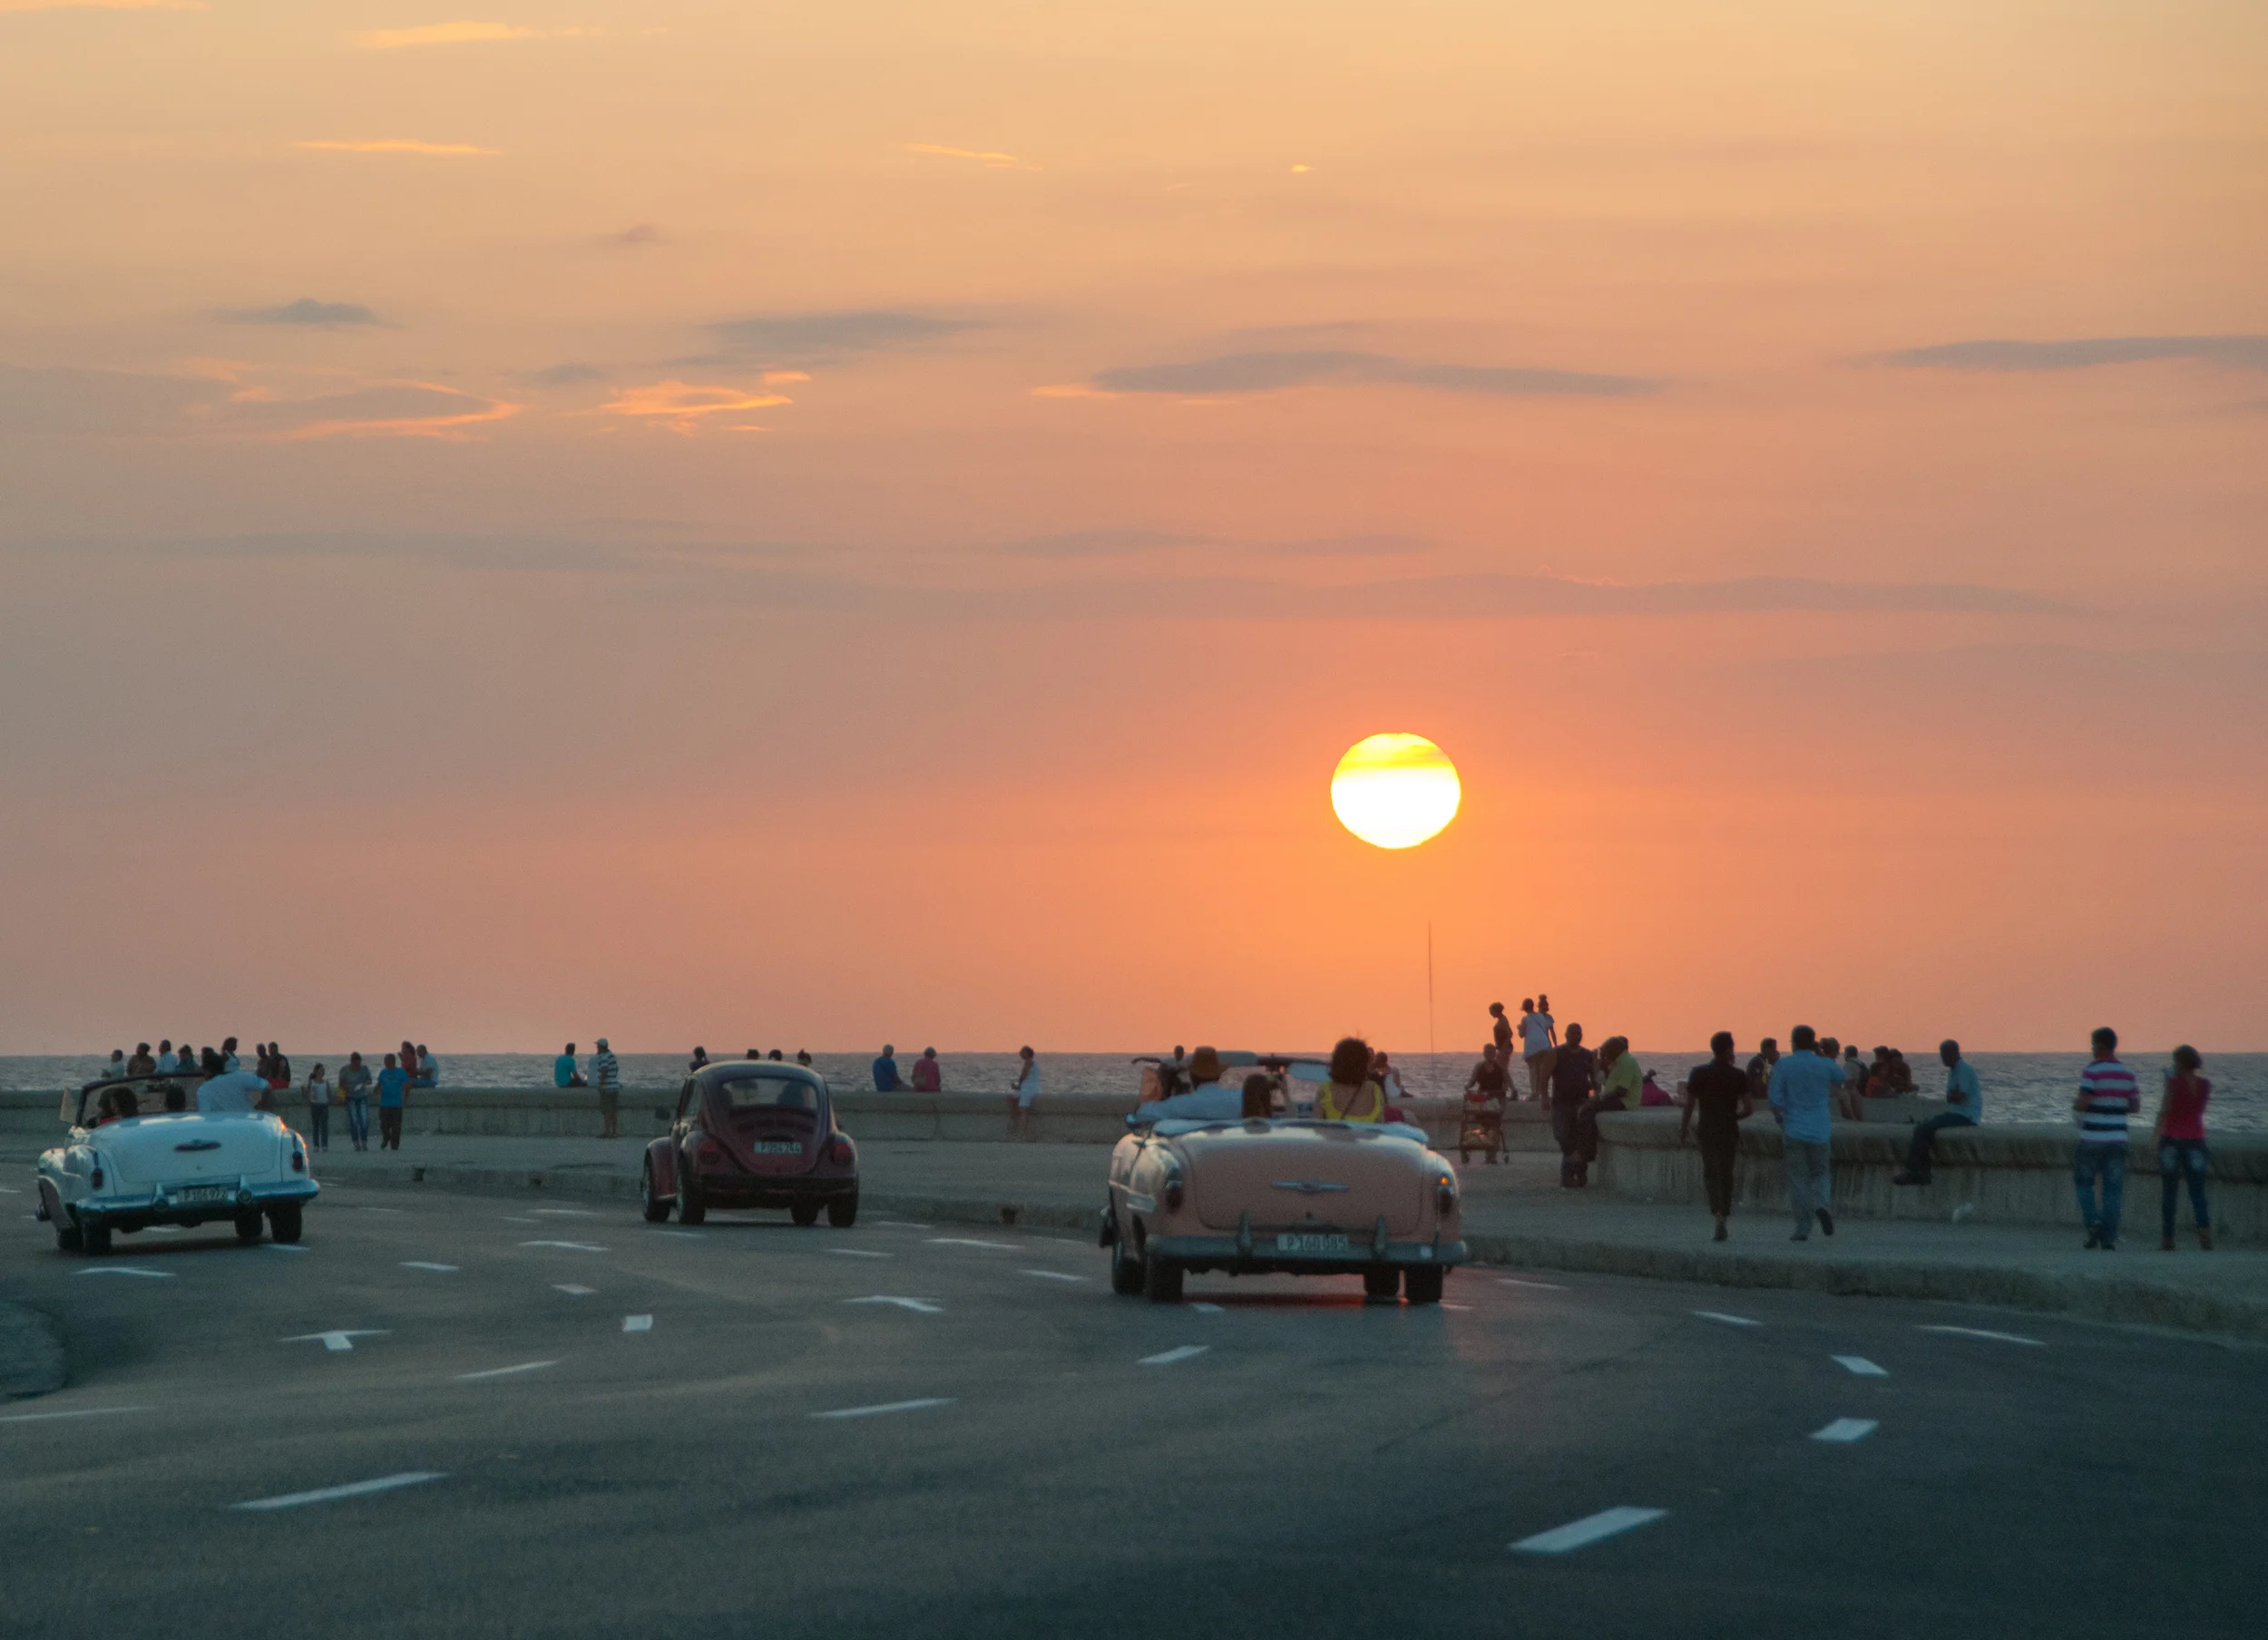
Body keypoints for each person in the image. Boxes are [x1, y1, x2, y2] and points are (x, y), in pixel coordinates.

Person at [1767, 1025, 1843, 1241]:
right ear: (1813, 1043)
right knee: (1821, 1173)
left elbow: (1774, 1098)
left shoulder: (1783, 1065)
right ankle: (1822, 1205)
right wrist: (1820, 1055)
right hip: (1820, 1129)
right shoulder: (1824, 1064)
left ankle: (1802, 1227)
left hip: (1794, 1128)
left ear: (1793, 1042)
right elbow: (1841, 1076)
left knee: (1798, 1179)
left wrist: (1779, 1116)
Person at [1681, 1031, 1755, 1241]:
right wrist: (1733, 1117)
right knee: (1726, 1173)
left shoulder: (1699, 1073)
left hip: (1707, 1128)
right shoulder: (1738, 1075)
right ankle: (1725, 1214)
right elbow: (1749, 1109)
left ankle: (1718, 1214)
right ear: (1730, 1049)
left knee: (1711, 1173)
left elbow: (1689, 1105)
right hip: (1729, 1129)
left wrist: (1683, 1128)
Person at [2072, 1026, 2138, 1250]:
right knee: (2113, 1189)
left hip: (2092, 1138)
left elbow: (2083, 1103)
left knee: (2083, 1183)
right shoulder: (2127, 1074)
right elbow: (2135, 1106)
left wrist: (2076, 1104)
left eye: (2093, 1045)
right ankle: (2109, 1239)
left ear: (2100, 1046)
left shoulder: (2091, 1071)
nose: (2091, 1049)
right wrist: (2114, 1103)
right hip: (2118, 1138)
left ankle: (2093, 1222)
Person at [1894, 1040, 1983, 1186]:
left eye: (1945, 1054)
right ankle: (1922, 1171)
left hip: (1967, 1115)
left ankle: (1913, 1171)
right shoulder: (1955, 1070)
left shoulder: (1963, 1070)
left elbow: (1958, 1097)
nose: (1943, 1058)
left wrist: (1952, 1095)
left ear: (1954, 1053)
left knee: (1923, 1129)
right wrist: (1952, 1095)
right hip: (1959, 1112)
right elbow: (1951, 1097)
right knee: (1925, 1127)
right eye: (1942, 1054)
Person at [2156, 1046, 2213, 1252]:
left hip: (2172, 1140)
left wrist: (2155, 1138)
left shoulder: (2173, 1083)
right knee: (2197, 1191)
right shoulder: (2205, 1085)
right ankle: (2204, 1229)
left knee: (2170, 1192)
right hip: (2196, 1140)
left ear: (2179, 1063)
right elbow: (2198, 1110)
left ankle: (2168, 1238)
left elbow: (2165, 1110)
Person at [1571, 1035, 1641, 1181]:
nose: (1605, 1057)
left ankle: (1585, 1152)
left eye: (1606, 1054)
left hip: (1624, 1101)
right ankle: (1584, 1151)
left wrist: (1600, 1098)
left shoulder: (1627, 1062)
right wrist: (1600, 1064)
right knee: (1585, 1109)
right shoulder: (1619, 1061)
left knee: (1587, 1111)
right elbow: (1607, 1080)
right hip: (1615, 1097)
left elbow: (1621, 1090)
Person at [1547, 1022, 1598, 1186]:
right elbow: (1545, 1076)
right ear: (1566, 1035)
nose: (1576, 1036)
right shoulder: (1557, 1053)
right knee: (1563, 1136)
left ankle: (1579, 1173)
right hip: (1561, 1102)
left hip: (1581, 1103)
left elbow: (1595, 1079)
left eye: (1578, 1033)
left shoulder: (1587, 1055)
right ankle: (1569, 1171)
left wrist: (1596, 1095)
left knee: (1580, 1139)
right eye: (1573, 1033)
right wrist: (1543, 1097)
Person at [1134, 1046, 1241, 1123]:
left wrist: (1153, 1091)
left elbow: (1143, 1113)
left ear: (1192, 1076)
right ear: (1219, 1075)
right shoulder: (1242, 1099)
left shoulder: (1176, 1105)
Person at [1315, 1036, 1386, 1123]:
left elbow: (1316, 1126)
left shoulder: (1326, 1090)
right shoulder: (1375, 1091)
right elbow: (1380, 1125)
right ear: (1364, 1062)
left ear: (1337, 1062)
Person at [1463, 1043, 1511, 1164]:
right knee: (1481, 1123)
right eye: (1487, 1052)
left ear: (1495, 1054)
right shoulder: (1479, 1067)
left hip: (1496, 1098)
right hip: (1483, 1099)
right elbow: (1472, 1081)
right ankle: (1484, 1150)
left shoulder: (1500, 1067)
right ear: (1484, 1054)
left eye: (1491, 1052)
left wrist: (1505, 1088)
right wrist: (1467, 1086)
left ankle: (1492, 1155)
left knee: (1494, 1125)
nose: (1489, 1055)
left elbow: (1507, 1081)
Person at [1520, 997, 1558, 1105]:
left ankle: (1534, 1093)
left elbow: (1522, 1034)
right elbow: (1547, 1030)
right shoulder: (1542, 1017)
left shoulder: (1525, 1019)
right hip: (1545, 1045)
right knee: (1542, 1071)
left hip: (1533, 1046)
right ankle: (1544, 1093)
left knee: (1533, 1069)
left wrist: (1519, 1028)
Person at [375, 1052, 408, 1149]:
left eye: (386, 1061)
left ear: (392, 1062)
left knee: (396, 1126)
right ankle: (386, 1138)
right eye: (384, 1061)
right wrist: (376, 1089)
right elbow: (379, 1084)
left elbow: (406, 1086)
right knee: (383, 1125)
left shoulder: (401, 1072)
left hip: (396, 1103)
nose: (385, 1063)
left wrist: (405, 1099)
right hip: (384, 1103)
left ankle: (395, 1145)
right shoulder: (383, 1072)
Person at [340, 1052, 373, 1151]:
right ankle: (356, 1143)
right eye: (355, 1064)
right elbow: (341, 1083)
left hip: (362, 1096)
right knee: (354, 1121)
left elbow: (369, 1080)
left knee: (364, 1120)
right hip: (351, 1097)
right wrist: (348, 1088)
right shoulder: (345, 1070)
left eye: (358, 1064)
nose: (357, 1066)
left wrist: (363, 1084)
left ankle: (364, 1142)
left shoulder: (364, 1069)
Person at [590, 1038, 621, 1138]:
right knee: (613, 1111)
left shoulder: (604, 1057)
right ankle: (614, 1132)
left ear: (602, 1047)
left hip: (607, 1088)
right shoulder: (611, 1056)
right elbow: (616, 1069)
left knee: (607, 1111)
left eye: (598, 1046)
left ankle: (607, 1132)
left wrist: (601, 1084)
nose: (597, 1048)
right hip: (615, 1086)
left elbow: (604, 1071)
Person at [1008, 1046, 1041, 1140]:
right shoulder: (1030, 1062)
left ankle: (1023, 1134)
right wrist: (1019, 1087)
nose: (1020, 1053)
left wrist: (1018, 1086)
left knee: (1023, 1110)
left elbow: (1023, 1075)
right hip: (1026, 1088)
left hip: (1028, 1090)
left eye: (1022, 1052)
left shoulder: (1029, 1062)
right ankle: (1016, 1122)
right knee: (1012, 1099)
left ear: (1028, 1053)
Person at [305, 1062, 332, 1152]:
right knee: (315, 1126)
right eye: (321, 1070)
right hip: (314, 1105)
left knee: (324, 1126)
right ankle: (316, 1145)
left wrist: (334, 1100)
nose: (323, 1071)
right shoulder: (312, 1082)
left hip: (324, 1105)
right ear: (316, 1071)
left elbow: (329, 1093)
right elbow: (307, 1092)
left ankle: (324, 1145)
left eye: (323, 1070)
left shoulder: (326, 1082)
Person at [1745, 1038, 1779, 1103]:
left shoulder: (1765, 1063)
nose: (1775, 1051)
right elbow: (1761, 1085)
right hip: (1757, 1101)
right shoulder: (1758, 1062)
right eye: (1774, 1048)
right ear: (1766, 1049)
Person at [1489, 1002, 1517, 1070]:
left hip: (1505, 1048)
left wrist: (1504, 1047)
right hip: (1501, 1048)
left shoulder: (1503, 1020)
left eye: (1492, 1011)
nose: (1491, 1013)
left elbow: (1510, 1033)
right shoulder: (1501, 1019)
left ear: (1497, 1011)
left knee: (1501, 1068)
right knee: (1500, 1067)